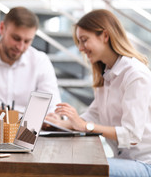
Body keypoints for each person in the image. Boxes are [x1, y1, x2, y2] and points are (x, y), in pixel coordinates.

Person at [46, 9, 151, 176]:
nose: (80, 48)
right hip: (124, 160)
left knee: (79, 170)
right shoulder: (106, 74)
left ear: (105, 36)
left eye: (84, 40)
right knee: (67, 164)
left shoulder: (135, 74)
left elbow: (131, 135)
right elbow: (93, 115)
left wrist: (84, 126)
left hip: (145, 164)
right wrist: (61, 124)